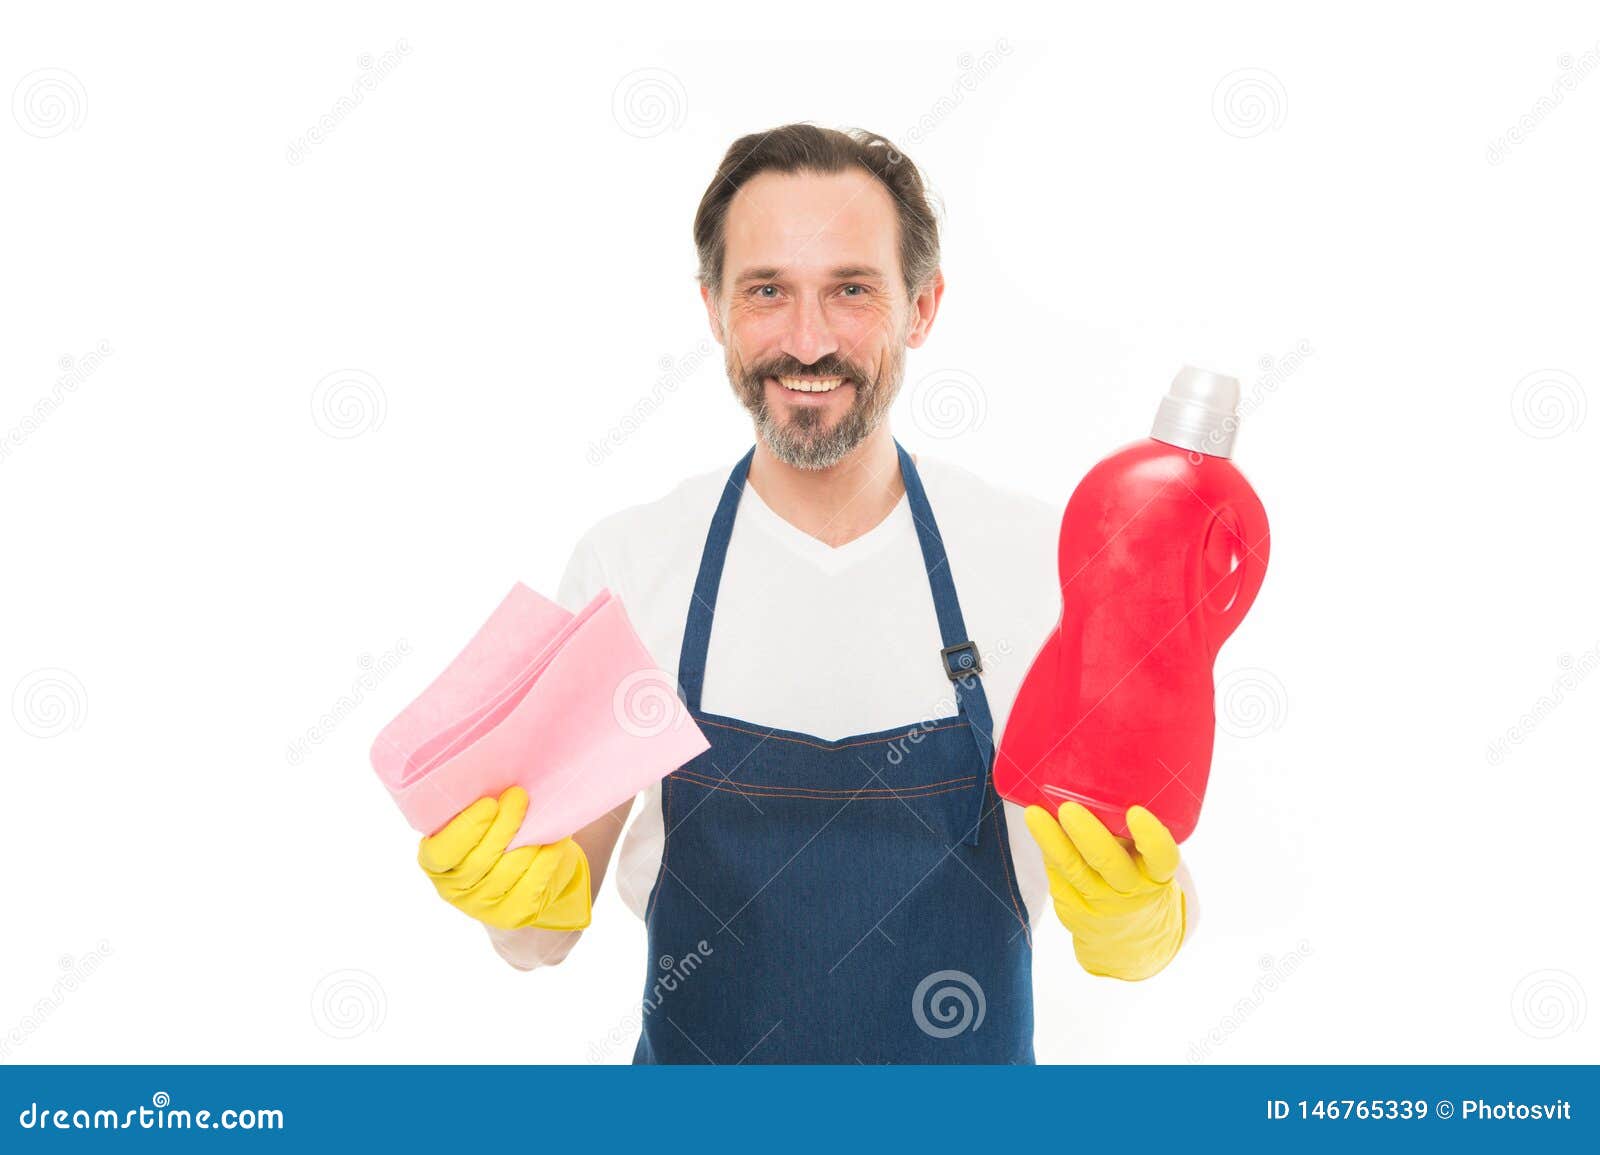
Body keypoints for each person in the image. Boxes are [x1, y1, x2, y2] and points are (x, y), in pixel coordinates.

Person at [415, 124, 1193, 1064]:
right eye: (767, 290)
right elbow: (543, 931)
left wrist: (1142, 919)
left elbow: (1140, 884)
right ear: (714, 308)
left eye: (852, 290)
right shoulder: (630, 564)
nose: (808, 340)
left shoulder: (1041, 562)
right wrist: (516, 900)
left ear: (922, 306)